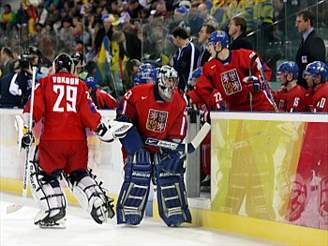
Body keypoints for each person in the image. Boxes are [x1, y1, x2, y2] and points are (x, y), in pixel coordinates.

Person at [21, 53, 121, 228]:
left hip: (53, 141)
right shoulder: (81, 86)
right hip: (77, 143)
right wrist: (100, 127)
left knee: (42, 171)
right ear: (72, 68)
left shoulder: (45, 83)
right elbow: (90, 113)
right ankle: (95, 197)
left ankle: (54, 208)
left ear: (55, 67)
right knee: (78, 173)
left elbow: (32, 110)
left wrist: (27, 131)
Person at [114, 65, 191, 226]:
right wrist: (134, 142)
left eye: (173, 81)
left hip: (160, 145)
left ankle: (175, 212)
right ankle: (130, 211)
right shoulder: (138, 93)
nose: (171, 85)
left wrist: (173, 150)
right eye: (168, 80)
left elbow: (179, 129)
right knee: (139, 165)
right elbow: (122, 116)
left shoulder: (179, 100)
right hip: (138, 143)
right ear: (159, 81)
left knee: (169, 171)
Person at [187, 30, 275, 112]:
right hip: (235, 112)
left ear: (218, 45)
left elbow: (264, 70)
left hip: (259, 106)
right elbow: (201, 90)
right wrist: (188, 99)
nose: (208, 48)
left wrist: (258, 80)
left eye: (210, 45)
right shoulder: (209, 67)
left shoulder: (245, 56)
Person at [285, 61, 328, 229]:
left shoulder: (324, 93)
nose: (307, 79)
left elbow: (320, 124)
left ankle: (320, 211)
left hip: (320, 145)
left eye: (310, 76)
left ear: (318, 77)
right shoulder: (314, 93)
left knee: (322, 179)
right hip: (315, 144)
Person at [295, 10, 326, 89]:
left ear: (308, 21)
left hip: (312, 88)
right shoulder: (304, 40)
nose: (296, 25)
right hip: (303, 87)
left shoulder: (316, 40)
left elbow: (318, 67)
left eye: (299, 22)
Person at [171, 26, 199, 92]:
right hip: (179, 87)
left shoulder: (191, 49)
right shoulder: (179, 51)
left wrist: (187, 89)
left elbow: (191, 70)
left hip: (187, 89)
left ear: (177, 38)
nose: (173, 41)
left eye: (173, 39)